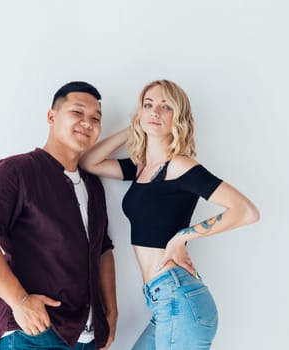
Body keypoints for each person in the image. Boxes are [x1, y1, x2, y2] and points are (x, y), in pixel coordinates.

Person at [80, 79, 260, 349]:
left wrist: (181, 238)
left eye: (166, 107)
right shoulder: (141, 167)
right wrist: (133, 128)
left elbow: (245, 211)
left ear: (178, 118)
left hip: (178, 298)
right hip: (163, 301)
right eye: (148, 105)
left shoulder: (180, 166)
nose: (155, 112)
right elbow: (88, 162)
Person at [0, 81, 117, 350]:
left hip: (86, 339)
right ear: (51, 117)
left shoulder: (92, 185)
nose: (87, 123)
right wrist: (19, 301)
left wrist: (111, 314)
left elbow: (102, 249)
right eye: (77, 113)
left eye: (96, 118)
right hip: (31, 335)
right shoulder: (16, 171)